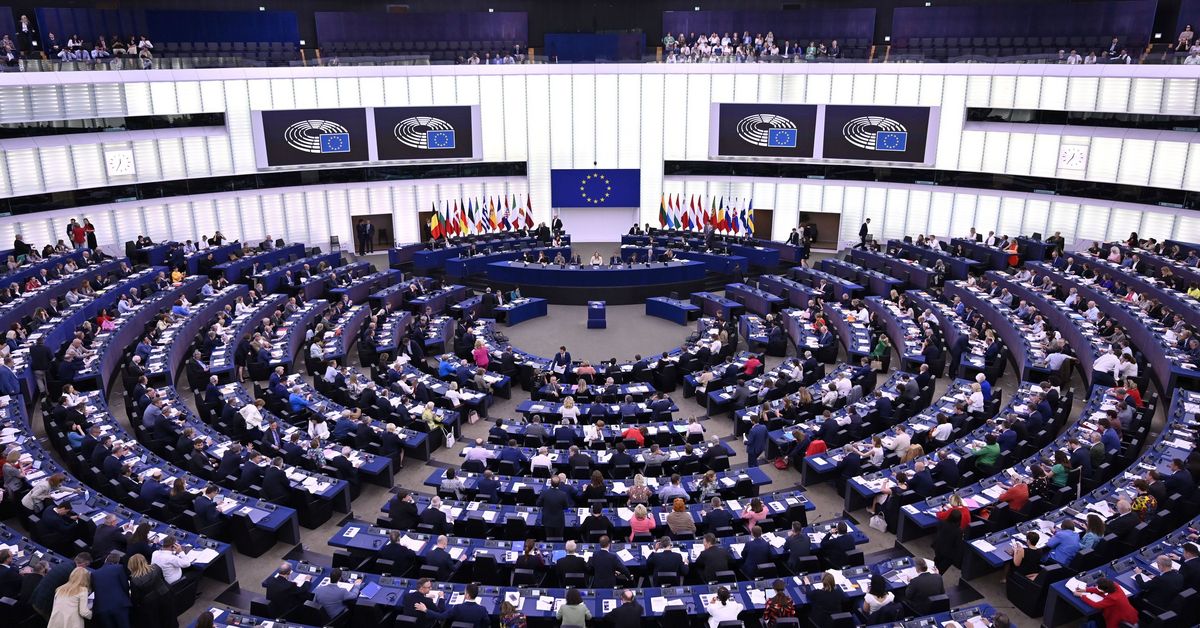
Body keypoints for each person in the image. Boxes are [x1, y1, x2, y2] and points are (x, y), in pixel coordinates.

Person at [1073, 576, 1137, 628]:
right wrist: (1084, 590)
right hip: (1129, 614)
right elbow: (1100, 590)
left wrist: (1081, 595)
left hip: (1119, 619)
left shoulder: (1113, 598)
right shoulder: (1115, 586)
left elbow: (1096, 605)